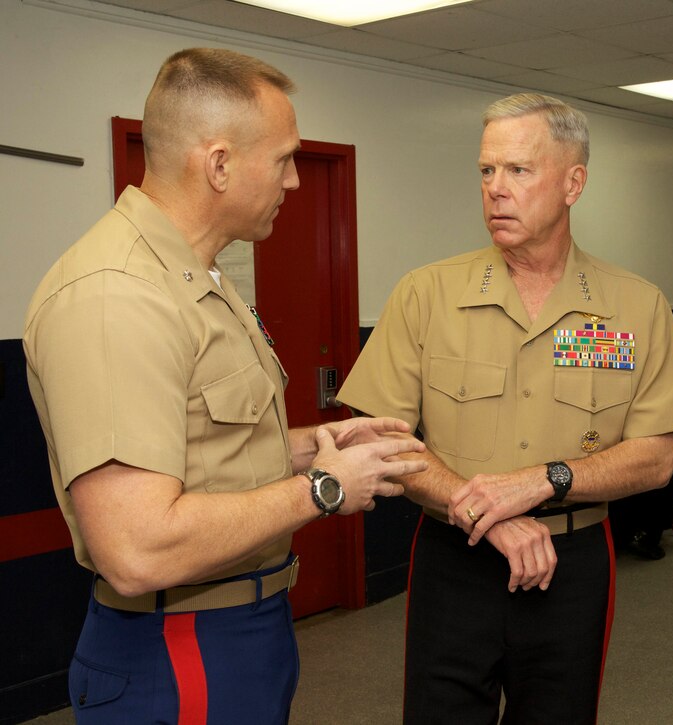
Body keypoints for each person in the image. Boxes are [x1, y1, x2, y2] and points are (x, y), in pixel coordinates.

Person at [23, 48, 426, 724]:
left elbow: (205, 446)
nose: (295, 180)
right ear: (218, 165)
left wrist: (313, 445)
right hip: (177, 646)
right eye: (284, 159)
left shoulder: (198, 278)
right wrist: (323, 487)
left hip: (242, 629)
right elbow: (137, 547)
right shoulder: (116, 296)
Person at [336, 92, 673, 724]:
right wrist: (490, 515)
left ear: (573, 182)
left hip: (573, 563)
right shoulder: (426, 294)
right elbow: (372, 441)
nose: (495, 190)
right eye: (486, 171)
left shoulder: (634, 305)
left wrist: (546, 481)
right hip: (455, 561)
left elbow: (656, 458)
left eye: (518, 170)